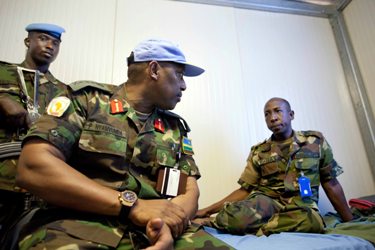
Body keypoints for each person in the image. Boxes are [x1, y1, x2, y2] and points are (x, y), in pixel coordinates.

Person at [15, 39, 233, 249]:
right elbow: (33, 166)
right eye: (179, 74)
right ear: (154, 70)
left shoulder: (175, 127)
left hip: (155, 229)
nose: (184, 85)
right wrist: (133, 206)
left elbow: (189, 190)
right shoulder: (86, 100)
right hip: (77, 225)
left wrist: (169, 222)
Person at [194, 97, 354, 236]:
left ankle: (259, 229)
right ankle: (232, 223)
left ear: (291, 115)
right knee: (237, 216)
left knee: (312, 221)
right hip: (267, 202)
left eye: (278, 111)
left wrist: (349, 221)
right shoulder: (259, 151)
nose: (273, 117)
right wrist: (207, 210)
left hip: (301, 205)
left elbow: (330, 182)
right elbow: (245, 190)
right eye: (267, 114)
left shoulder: (315, 142)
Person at [0, 23, 67, 242]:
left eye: (55, 43)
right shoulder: (2, 71)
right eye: (43, 39)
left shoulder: (63, 91)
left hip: (37, 182)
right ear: (28, 41)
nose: (50, 46)